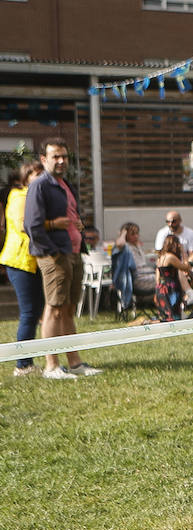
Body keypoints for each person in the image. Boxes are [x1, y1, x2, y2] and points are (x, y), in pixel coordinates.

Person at [24, 137, 99, 379]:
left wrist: (78, 225)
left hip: (74, 251)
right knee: (54, 308)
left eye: (64, 156)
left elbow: (68, 215)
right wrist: (52, 250)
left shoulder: (64, 184)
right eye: (55, 156)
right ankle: (51, 366)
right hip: (55, 254)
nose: (61, 161)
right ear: (43, 159)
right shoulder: (40, 185)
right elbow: (31, 226)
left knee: (67, 309)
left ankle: (75, 363)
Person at [2, 161, 43, 377]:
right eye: (36, 174)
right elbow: (23, 225)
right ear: (25, 178)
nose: (40, 177)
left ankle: (30, 360)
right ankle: (22, 365)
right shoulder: (19, 197)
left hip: (32, 262)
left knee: (36, 312)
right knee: (29, 313)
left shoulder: (35, 196)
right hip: (19, 262)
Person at [110, 222, 157, 312]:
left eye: (137, 233)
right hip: (138, 279)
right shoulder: (124, 247)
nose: (136, 236)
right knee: (167, 281)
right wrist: (123, 233)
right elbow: (119, 243)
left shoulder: (136, 246)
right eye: (132, 234)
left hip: (146, 274)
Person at [154, 235, 193, 322]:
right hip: (171, 289)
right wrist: (184, 253)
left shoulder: (161, 257)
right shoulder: (170, 257)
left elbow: (157, 278)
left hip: (161, 288)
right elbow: (186, 267)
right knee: (173, 316)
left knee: (166, 314)